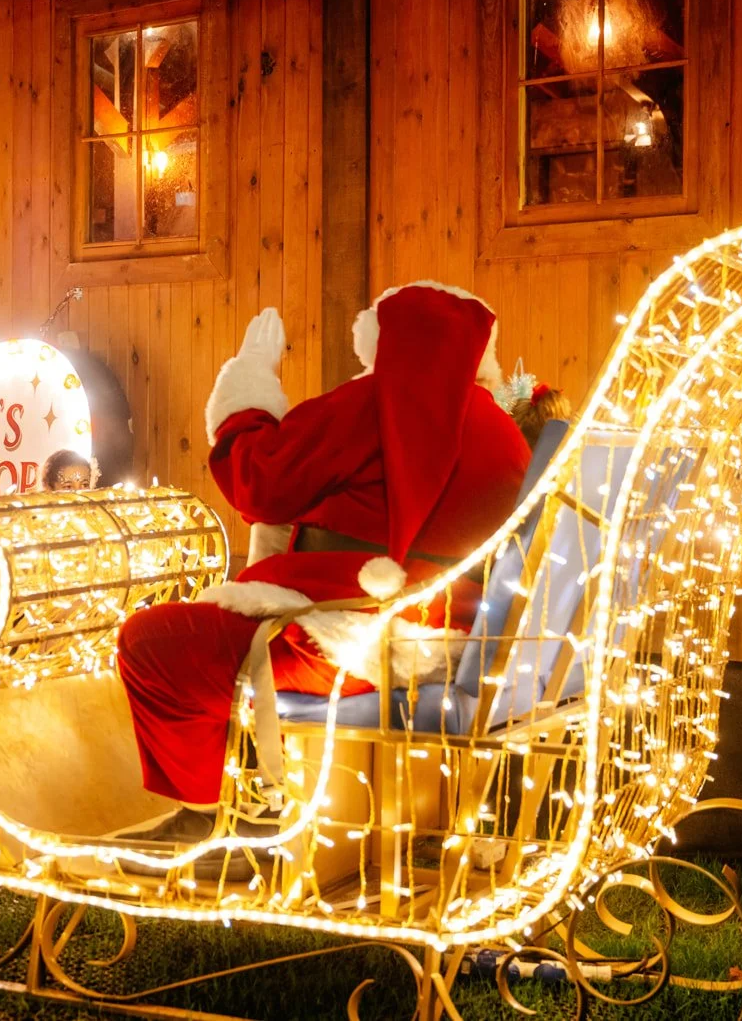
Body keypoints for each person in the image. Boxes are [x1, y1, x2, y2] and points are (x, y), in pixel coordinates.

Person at [113, 284, 533, 845]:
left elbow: (261, 482)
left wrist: (248, 391)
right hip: (449, 642)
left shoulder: (378, 405)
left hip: (347, 641)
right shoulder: (503, 433)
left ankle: (216, 817)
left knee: (154, 641)